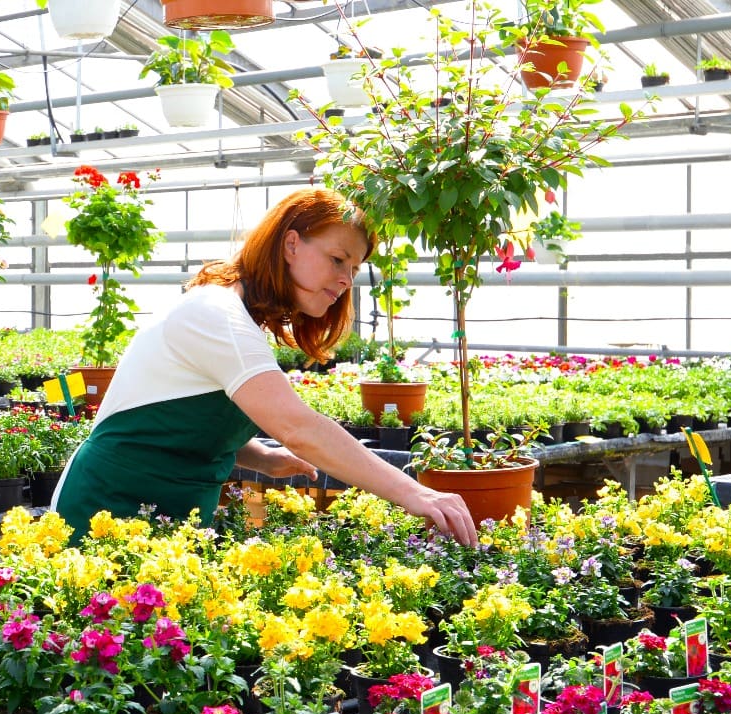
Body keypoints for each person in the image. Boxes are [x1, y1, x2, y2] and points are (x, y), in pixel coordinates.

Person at [51, 188, 479, 545]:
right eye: (337, 259)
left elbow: (173, 419)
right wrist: (415, 492)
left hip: (169, 525)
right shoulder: (216, 314)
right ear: (291, 244)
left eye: (354, 268)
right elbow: (300, 428)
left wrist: (260, 457)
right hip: (102, 511)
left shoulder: (236, 319)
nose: (347, 278)